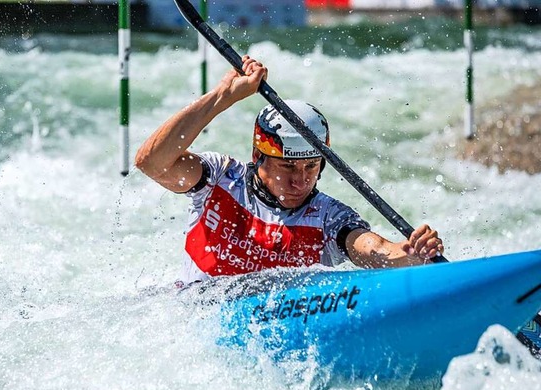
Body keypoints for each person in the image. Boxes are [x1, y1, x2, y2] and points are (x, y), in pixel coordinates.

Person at [135, 56, 444, 285]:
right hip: (196, 312)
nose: (300, 180)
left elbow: (370, 248)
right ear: (258, 156)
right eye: (287, 166)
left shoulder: (328, 216)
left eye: (311, 166)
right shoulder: (219, 178)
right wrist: (222, 98)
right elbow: (151, 162)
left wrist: (408, 255)